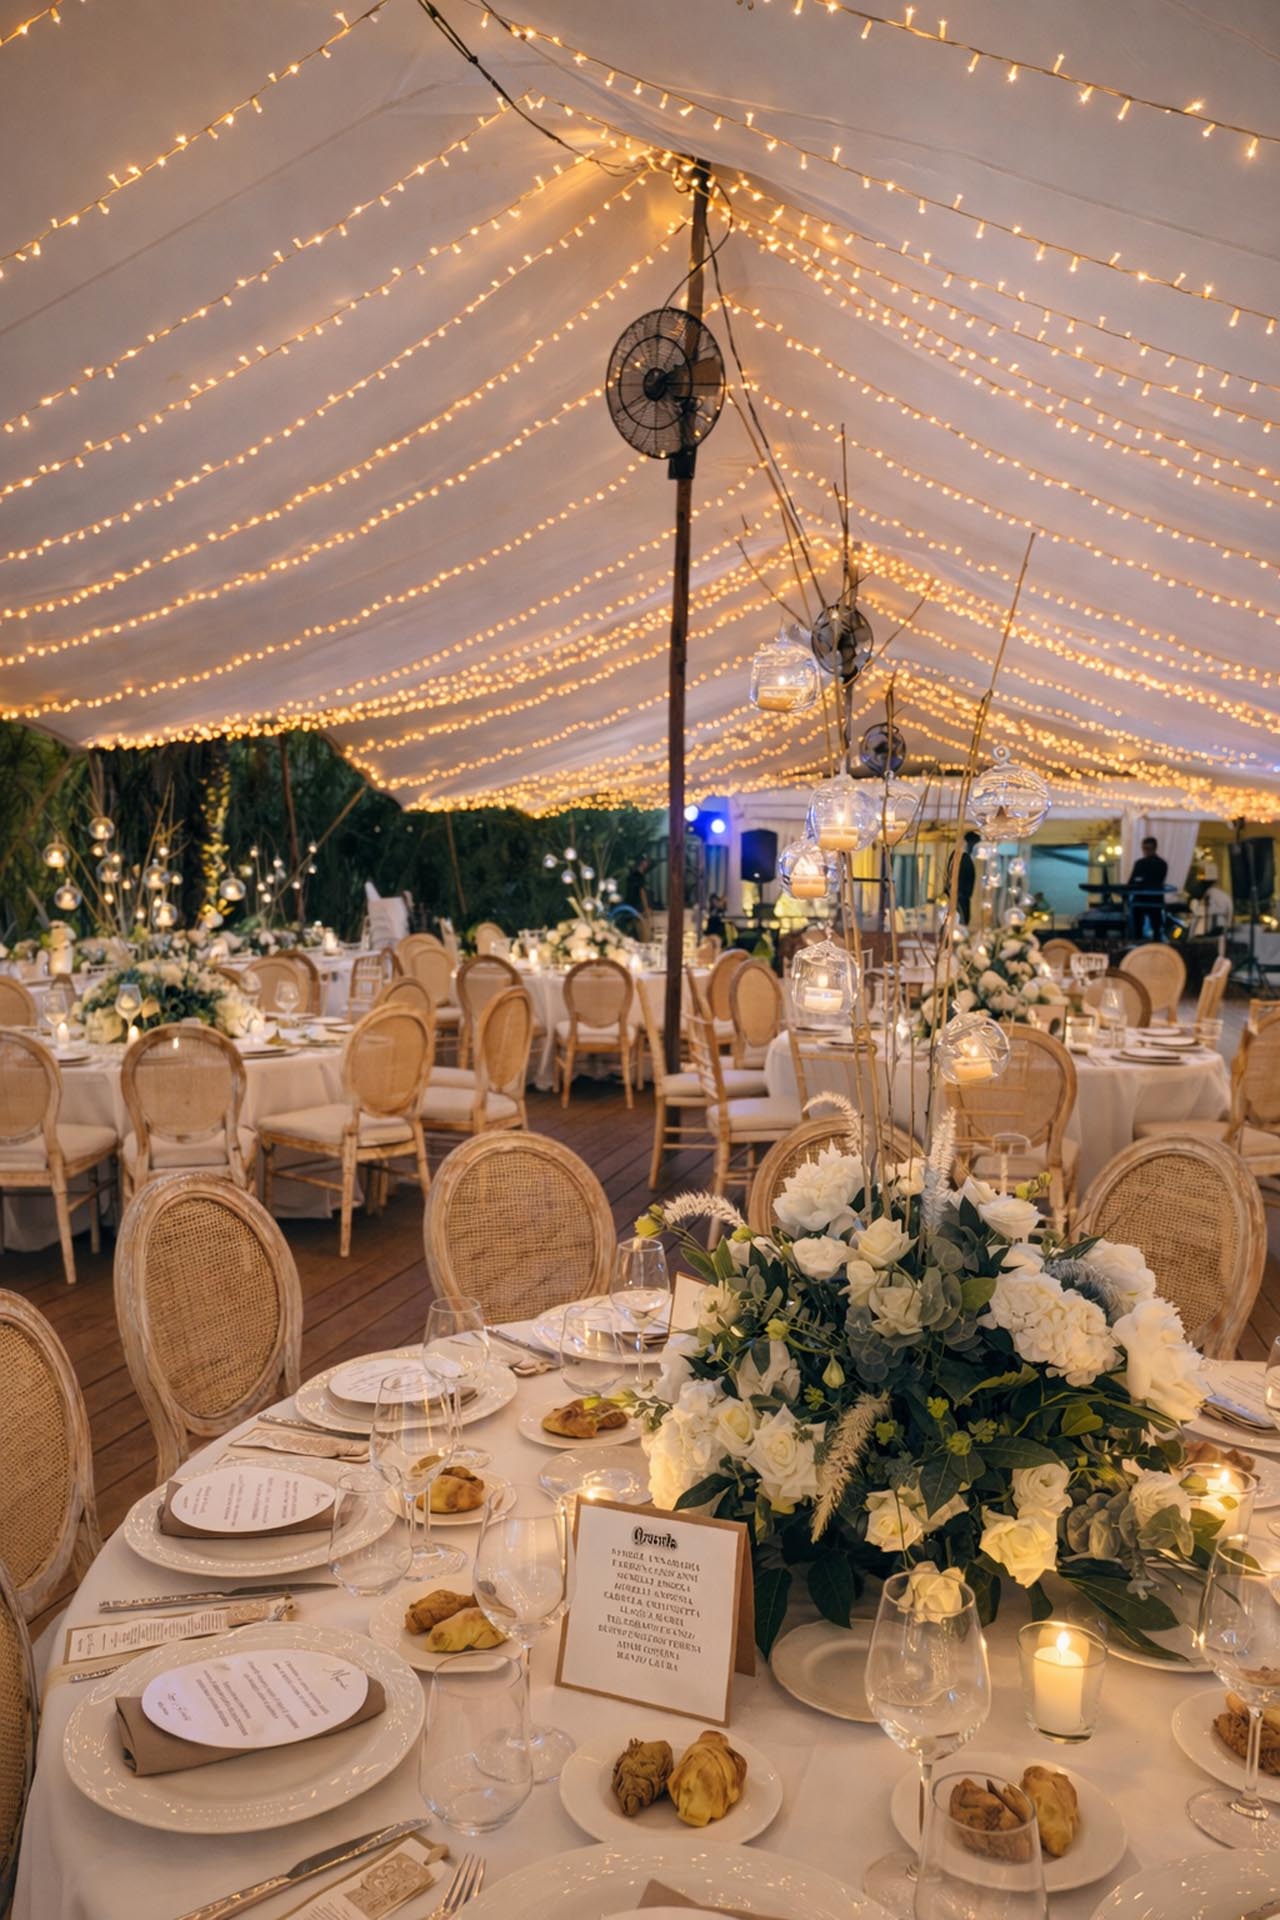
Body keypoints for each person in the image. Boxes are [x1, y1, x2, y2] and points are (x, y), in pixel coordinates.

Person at [1127, 836, 1169, 941]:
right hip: (1152, 899)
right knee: (1154, 928)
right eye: (1144, 848)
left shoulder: (1141, 863)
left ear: (1154, 848)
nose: (1145, 851)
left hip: (1143, 899)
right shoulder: (1162, 864)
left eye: (1147, 848)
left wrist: (1129, 890)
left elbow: (1133, 881)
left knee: (1142, 929)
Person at [954, 830, 980, 926]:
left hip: (964, 897)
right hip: (961, 897)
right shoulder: (964, 858)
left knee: (964, 920)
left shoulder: (967, 858)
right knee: (962, 921)